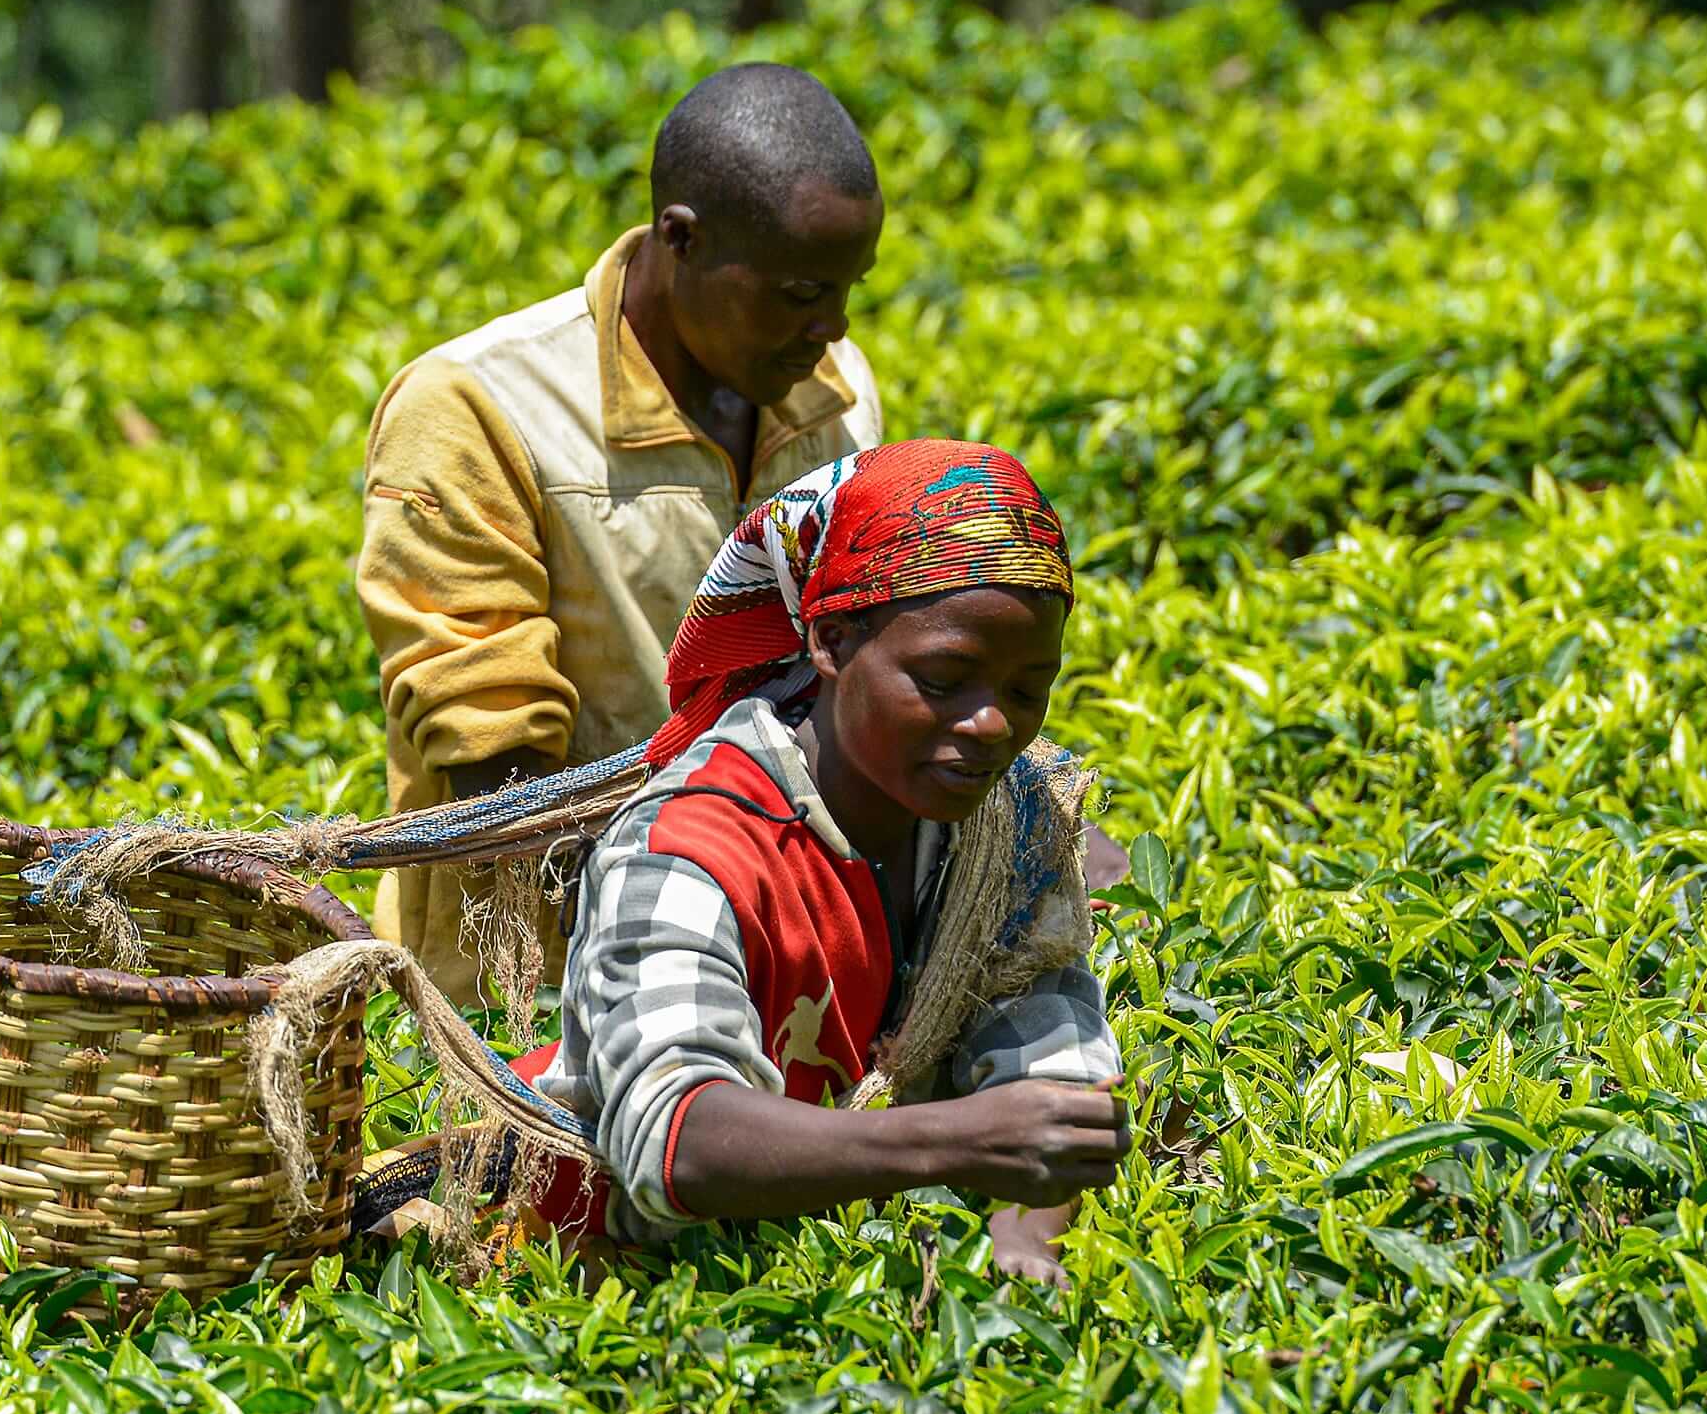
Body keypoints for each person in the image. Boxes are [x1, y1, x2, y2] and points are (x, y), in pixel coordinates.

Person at [530, 438, 1129, 1287]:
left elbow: (1052, 1080)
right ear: (832, 643)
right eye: (943, 677)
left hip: (830, 1280)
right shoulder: (688, 843)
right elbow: (676, 1142)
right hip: (606, 1282)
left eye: (1027, 691)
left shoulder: (1008, 821)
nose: (993, 724)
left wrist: (1024, 1241)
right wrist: (960, 1141)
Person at [355, 62, 888, 1005]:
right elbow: (495, 756)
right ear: (680, 240)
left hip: (780, 958)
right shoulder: (480, 407)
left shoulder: (833, 394)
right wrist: (690, 909)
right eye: (802, 290)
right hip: (523, 987)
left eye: (847, 289)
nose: (832, 325)